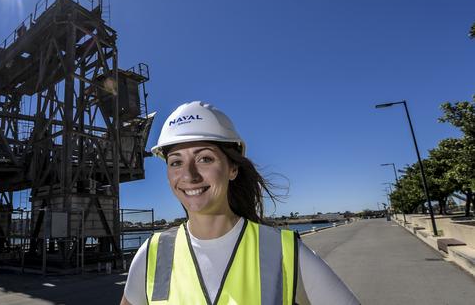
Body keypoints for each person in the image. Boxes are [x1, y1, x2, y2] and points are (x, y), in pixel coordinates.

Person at [120, 101, 360, 305]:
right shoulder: (152, 253)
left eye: (204, 158)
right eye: (175, 162)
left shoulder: (282, 251)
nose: (189, 175)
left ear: (232, 168)